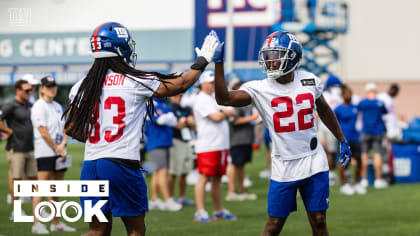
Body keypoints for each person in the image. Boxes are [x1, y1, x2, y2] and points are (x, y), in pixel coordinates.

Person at [63, 22, 219, 236]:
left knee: (96, 231)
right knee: (135, 230)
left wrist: (97, 139)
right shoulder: (134, 80)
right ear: (120, 48)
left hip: (90, 164)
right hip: (120, 163)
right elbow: (181, 84)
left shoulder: (81, 85)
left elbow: (70, 128)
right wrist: (203, 60)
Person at [212, 31, 351, 235]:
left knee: (319, 221)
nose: (271, 61)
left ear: (292, 56)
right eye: (268, 56)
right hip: (283, 164)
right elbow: (223, 99)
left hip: (313, 160)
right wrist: (218, 64)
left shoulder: (310, 80)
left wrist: (341, 139)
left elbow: (323, 109)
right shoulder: (258, 88)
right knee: (274, 226)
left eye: (275, 55)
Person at [30, 76, 76, 234]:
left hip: (59, 151)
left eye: (54, 85)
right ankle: (37, 224)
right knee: (41, 188)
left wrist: (63, 145)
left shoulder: (57, 106)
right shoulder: (38, 106)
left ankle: (56, 222)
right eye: (48, 86)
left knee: (56, 189)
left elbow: (64, 128)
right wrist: (57, 148)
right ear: (42, 88)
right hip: (45, 151)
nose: (52, 88)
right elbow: (43, 130)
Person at [193, 70, 237, 222]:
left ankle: (218, 210)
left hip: (220, 144)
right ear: (204, 83)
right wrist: (224, 112)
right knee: (204, 177)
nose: (213, 85)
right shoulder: (201, 99)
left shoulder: (213, 98)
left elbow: (230, 112)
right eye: (211, 82)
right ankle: (200, 211)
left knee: (217, 178)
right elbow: (217, 117)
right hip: (208, 145)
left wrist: (222, 112)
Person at [0, 79, 37, 221]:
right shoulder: (10, 105)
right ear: (18, 90)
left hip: (31, 148)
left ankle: (37, 210)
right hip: (16, 148)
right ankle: (16, 211)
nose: (29, 93)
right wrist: (8, 131)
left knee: (34, 180)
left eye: (31, 90)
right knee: (16, 180)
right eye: (27, 90)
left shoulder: (30, 105)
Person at [145, 98, 182, 211]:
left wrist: (167, 118)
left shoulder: (162, 104)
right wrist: (168, 118)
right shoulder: (151, 103)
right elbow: (160, 120)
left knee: (157, 172)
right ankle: (167, 200)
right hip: (156, 142)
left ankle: (154, 199)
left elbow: (173, 121)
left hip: (164, 141)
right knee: (162, 171)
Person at [226, 80, 259, 201]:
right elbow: (234, 120)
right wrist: (252, 118)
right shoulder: (234, 103)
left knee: (241, 165)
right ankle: (231, 191)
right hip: (237, 138)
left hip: (246, 138)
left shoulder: (247, 103)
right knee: (235, 164)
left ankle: (241, 189)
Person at [334, 85, 366, 195]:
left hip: (355, 138)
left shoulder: (356, 107)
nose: (350, 95)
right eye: (347, 93)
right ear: (343, 95)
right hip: (343, 139)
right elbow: (333, 123)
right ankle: (344, 185)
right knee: (342, 161)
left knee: (359, 161)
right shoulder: (338, 109)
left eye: (351, 93)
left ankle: (357, 183)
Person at [358, 82, 388, 189]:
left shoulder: (362, 102)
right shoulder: (380, 102)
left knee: (364, 154)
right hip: (377, 131)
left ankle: (364, 179)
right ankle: (378, 180)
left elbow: (358, 113)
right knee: (377, 154)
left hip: (365, 131)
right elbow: (385, 113)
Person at [167, 93, 196, 206]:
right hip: (175, 141)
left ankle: (181, 197)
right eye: (176, 95)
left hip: (186, 140)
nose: (178, 97)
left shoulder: (185, 108)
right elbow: (178, 125)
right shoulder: (170, 108)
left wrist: (185, 122)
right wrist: (186, 121)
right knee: (173, 172)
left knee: (185, 171)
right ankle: (170, 198)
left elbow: (193, 124)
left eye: (180, 96)